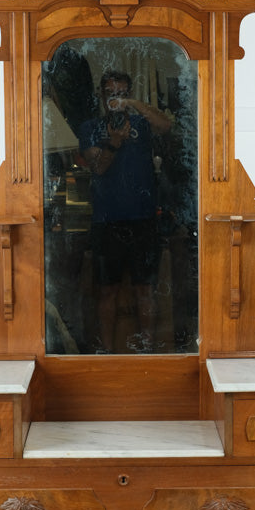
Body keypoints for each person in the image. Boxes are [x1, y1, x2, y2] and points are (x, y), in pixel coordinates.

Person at [78, 70, 172, 352]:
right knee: (107, 291)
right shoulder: (90, 127)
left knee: (145, 290)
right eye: (110, 94)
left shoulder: (141, 123)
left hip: (143, 218)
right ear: (101, 95)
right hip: (107, 221)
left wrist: (132, 104)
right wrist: (114, 142)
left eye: (121, 93)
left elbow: (165, 125)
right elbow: (98, 167)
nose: (115, 100)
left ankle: (148, 351)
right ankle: (107, 353)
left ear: (128, 94)